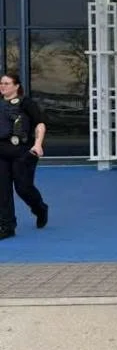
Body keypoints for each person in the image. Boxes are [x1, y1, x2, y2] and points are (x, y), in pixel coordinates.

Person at [0, 72, 48, 240]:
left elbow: (40, 124)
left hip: (23, 152)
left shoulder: (27, 103)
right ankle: (7, 226)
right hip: (2, 152)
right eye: (1, 83)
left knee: (23, 188)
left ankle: (40, 208)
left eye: (6, 83)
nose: (2, 86)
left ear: (16, 86)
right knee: (2, 190)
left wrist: (38, 144)